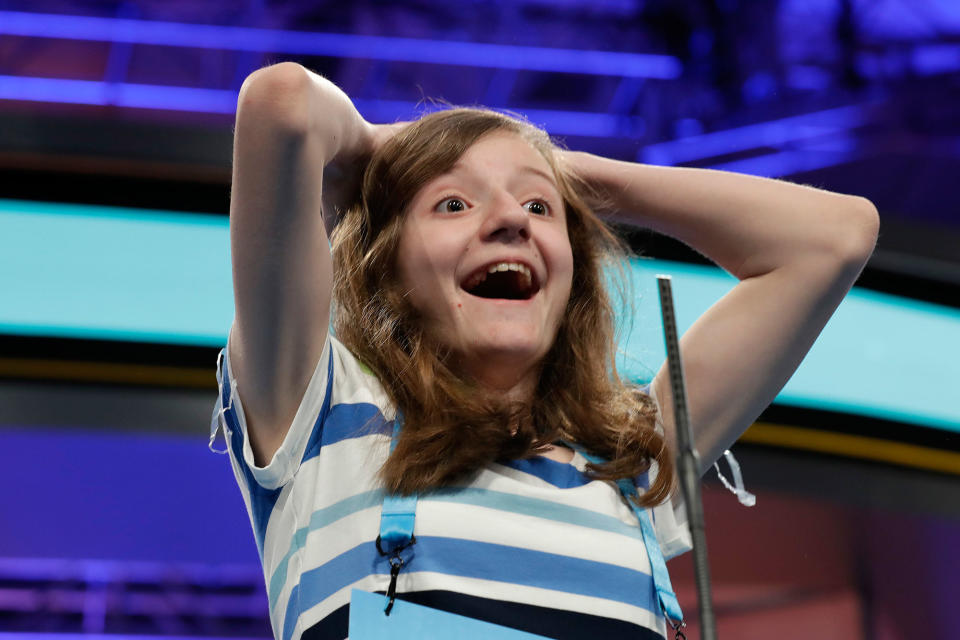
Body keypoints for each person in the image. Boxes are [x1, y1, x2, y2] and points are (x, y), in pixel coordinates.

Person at [211, 61, 879, 640]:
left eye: (538, 209)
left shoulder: (637, 462)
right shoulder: (322, 414)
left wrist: (568, 176)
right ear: (389, 268)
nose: (507, 220)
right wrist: (384, 157)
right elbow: (283, 104)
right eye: (451, 204)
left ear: (573, 274)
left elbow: (837, 236)